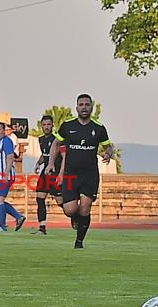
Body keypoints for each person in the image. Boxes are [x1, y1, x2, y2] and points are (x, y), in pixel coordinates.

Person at [45, 94, 113, 248]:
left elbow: (108, 146)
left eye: (87, 104)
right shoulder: (68, 126)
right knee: (70, 210)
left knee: (85, 208)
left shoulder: (98, 128)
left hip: (89, 175)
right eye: (81, 104)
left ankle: (79, 241)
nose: (84, 107)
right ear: (76, 107)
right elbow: (56, 144)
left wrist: (108, 154)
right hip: (71, 174)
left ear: (91, 107)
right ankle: (74, 218)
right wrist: (50, 163)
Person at [34, 115, 65, 235]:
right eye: (44, 125)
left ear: (53, 125)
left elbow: (63, 156)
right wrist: (38, 163)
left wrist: (61, 173)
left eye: (48, 124)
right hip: (45, 173)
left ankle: (75, 217)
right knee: (39, 198)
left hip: (55, 173)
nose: (46, 127)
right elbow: (45, 154)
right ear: (41, 126)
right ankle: (42, 226)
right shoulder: (41, 139)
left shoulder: (57, 139)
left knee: (60, 202)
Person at [0, 122, 26, 232]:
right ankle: (18, 217)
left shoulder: (6, 141)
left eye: (0, 130)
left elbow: (10, 157)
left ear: (4, 131)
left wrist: (5, 174)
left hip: (5, 175)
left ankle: (2, 226)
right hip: (0, 175)